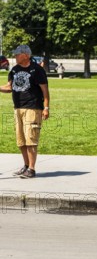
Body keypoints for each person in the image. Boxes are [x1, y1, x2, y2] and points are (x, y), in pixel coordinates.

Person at [0, 45, 50, 179]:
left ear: (26, 55)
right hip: (18, 108)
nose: (15, 56)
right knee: (21, 141)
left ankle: (32, 169)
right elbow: (10, 87)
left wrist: (46, 108)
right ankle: (26, 166)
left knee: (31, 139)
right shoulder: (14, 70)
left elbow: (45, 90)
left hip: (33, 108)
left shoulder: (37, 70)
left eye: (17, 54)